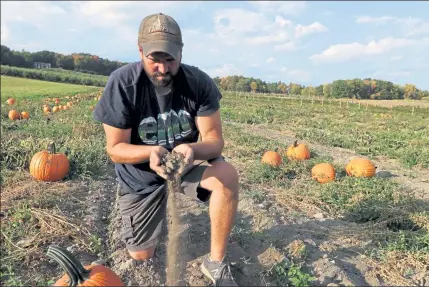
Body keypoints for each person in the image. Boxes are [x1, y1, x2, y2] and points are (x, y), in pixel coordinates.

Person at [92, 12, 239, 286]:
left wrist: (192, 150)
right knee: (141, 255)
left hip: (187, 167)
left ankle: (216, 263)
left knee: (226, 176)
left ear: (181, 53)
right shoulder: (123, 83)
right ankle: (148, 215)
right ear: (140, 51)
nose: (162, 68)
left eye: (170, 60)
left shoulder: (198, 83)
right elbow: (115, 149)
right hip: (142, 178)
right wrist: (150, 153)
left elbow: (215, 140)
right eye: (154, 60)